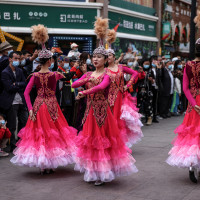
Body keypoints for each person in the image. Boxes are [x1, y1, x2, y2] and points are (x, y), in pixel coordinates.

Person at [72, 17, 138, 186]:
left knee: (103, 141)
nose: (95, 60)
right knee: (91, 141)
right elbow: (74, 83)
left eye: (99, 58)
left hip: (104, 112)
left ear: (105, 60)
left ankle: (103, 171)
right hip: (90, 113)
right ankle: (92, 170)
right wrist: (78, 86)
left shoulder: (107, 75)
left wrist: (84, 91)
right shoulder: (88, 75)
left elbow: (101, 87)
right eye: (93, 57)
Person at [10, 24, 77, 175]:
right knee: (53, 134)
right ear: (49, 62)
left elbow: (26, 93)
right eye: (52, 60)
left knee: (41, 135)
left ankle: (43, 164)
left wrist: (31, 109)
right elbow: (69, 77)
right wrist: (74, 68)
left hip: (39, 107)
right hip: (53, 106)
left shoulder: (34, 76)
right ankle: (51, 164)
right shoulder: (55, 74)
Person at [166, 38, 200, 183]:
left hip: (193, 105)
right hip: (194, 106)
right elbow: (185, 87)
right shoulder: (188, 65)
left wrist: (193, 103)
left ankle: (193, 168)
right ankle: (193, 167)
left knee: (193, 136)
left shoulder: (188, 65)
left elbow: (186, 88)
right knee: (194, 135)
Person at [106, 47, 143, 147]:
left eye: (109, 55)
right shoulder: (103, 69)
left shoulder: (121, 67)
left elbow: (135, 73)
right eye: (106, 55)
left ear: (114, 57)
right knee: (107, 119)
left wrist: (127, 85)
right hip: (106, 97)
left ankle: (119, 143)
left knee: (118, 119)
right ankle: (109, 142)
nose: (107, 57)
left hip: (119, 97)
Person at [0, 51, 28, 152]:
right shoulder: (5, 72)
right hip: (11, 102)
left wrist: (16, 84)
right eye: (15, 58)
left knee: (24, 122)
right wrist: (18, 85)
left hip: (21, 100)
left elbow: (25, 83)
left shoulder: (20, 71)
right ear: (10, 59)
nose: (17, 61)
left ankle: (21, 143)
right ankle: (13, 146)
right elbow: (9, 88)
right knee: (12, 125)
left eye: (19, 59)